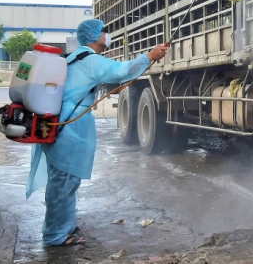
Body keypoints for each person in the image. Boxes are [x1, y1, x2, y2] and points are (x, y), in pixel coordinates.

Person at [25, 19, 167, 246]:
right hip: (68, 126)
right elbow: (119, 71)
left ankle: (64, 227)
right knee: (64, 182)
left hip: (60, 123)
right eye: (104, 31)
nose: (107, 35)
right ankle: (55, 236)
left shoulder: (74, 57)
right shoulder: (89, 60)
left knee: (64, 181)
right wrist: (149, 57)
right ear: (95, 36)